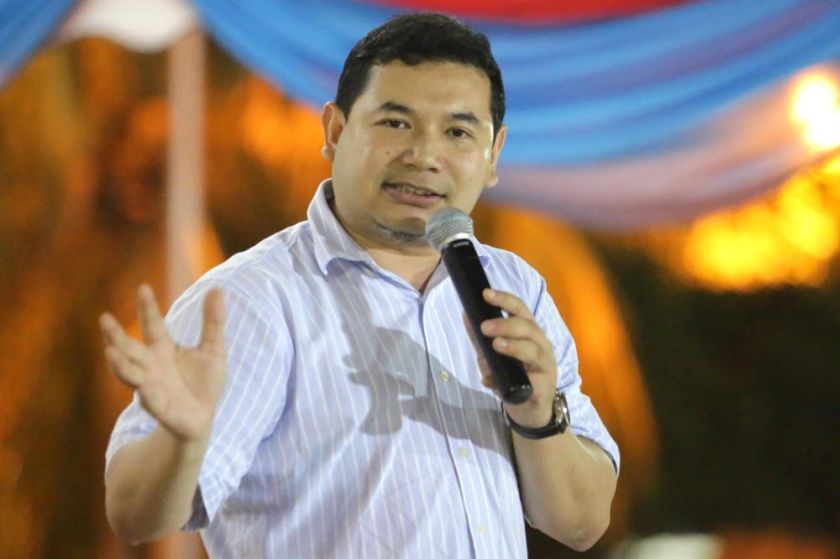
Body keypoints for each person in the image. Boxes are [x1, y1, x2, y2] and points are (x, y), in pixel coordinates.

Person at [101, 12, 619, 558]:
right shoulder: (250, 301)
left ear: (493, 156)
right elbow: (134, 515)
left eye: (458, 132)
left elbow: (580, 524)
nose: (424, 156)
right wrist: (181, 442)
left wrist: (537, 416)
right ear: (335, 131)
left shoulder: (516, 288)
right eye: (396, 123)